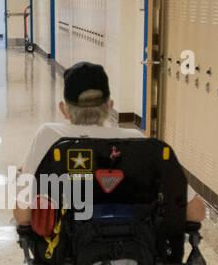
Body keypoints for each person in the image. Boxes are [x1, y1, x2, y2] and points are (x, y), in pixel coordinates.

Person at [14, 61, 206, 225]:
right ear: (110, 106)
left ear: (64, 109)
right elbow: (196, 212)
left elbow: (23, 216)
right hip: (135, 255)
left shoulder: (49, 136)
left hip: (66, 258)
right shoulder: (137, 142)